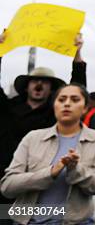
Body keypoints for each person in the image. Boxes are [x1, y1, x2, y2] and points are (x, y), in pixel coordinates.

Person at [0, 83, 95, 224]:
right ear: (54, 105)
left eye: (75, 100)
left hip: (75, 221)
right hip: (29, 220)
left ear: (85, 108)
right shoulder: (32, 138)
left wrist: (75, 169)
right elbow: (7, 186)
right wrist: (50, 173)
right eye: (61, 99)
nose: (67, 104)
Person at [0, 31, 87, 207]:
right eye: (35, 81)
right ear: (26, 87)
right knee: (5, 218)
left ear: (51, 89)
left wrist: (77, 54)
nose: (39, 85)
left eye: (45, 82)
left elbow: (78, 88)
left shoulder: (55, 112)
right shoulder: (7, 108)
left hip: (40, 183)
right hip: (6, 180)